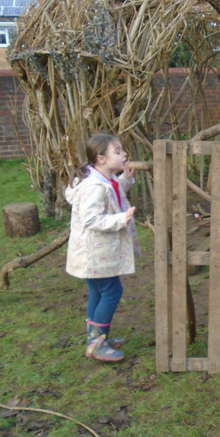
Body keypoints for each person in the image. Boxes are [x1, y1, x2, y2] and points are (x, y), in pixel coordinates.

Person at [65, 133, 140, 362]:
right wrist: (120, 220)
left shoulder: (104, 180)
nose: (123, 154)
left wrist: (124, 181)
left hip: (96, 254)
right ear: (100, 159)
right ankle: (97, 343)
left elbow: (113, 196)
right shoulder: (94, 187)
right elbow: (91, 219)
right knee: (113, 291)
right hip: (95, 254)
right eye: (117, 151)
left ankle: (97, 338)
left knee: (98, 292)